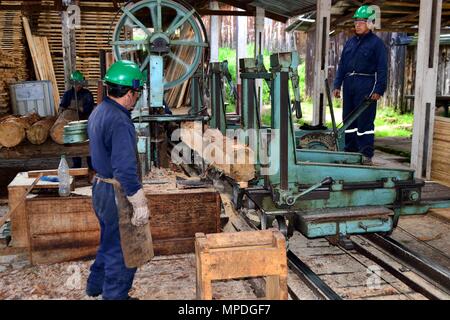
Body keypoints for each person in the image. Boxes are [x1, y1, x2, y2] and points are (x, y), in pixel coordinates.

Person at [86, 60, 150, 300]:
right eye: (138, 92)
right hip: (115, 192)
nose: (137, 98)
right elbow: (124, 167)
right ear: (131, 93)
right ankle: (115, 296)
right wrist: (139, 201)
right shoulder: (120, 120)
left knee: (108, 240)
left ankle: (95, 285)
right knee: (122, 250)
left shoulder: (100, 110)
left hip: (100, 188)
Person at [333, 4, 388, 165]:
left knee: (365, 121)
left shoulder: (377, 44)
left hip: (367, 85)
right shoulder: (349, 43)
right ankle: (350, 151)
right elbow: (342, 65)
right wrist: (337, 85)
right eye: (356, 21)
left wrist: (379, 89)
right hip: (349, 84)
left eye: (362, 21)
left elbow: (382, 69)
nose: (357, 24)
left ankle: (365, 154)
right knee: (348, 120)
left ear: (370, 23)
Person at [59, 70, 95, 169]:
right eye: (76, 83)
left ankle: (91, 169)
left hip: (85, 123)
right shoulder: (68, 94)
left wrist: (79, 109)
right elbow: (62, 106)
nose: (78, 85)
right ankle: (77, 168)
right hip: (73, 125)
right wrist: (62, 110)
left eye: (79, 83)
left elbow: (89, 107)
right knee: (75, 148)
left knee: (88, 148)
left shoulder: (87, 94)